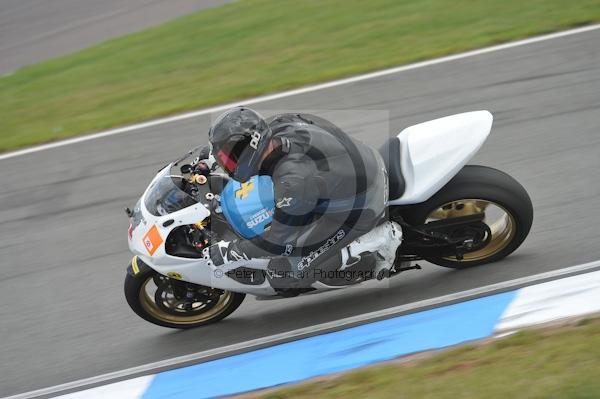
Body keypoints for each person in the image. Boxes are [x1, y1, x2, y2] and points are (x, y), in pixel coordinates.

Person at [203, 107, 402, 295]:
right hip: (356, 169)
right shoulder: (277, 126)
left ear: (250, 146)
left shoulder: (292, 181)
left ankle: (379, 239)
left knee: (283, 273)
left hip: (363, 203)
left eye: (228, 158)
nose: (225, 164)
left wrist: (234, 251)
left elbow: (278, 241)